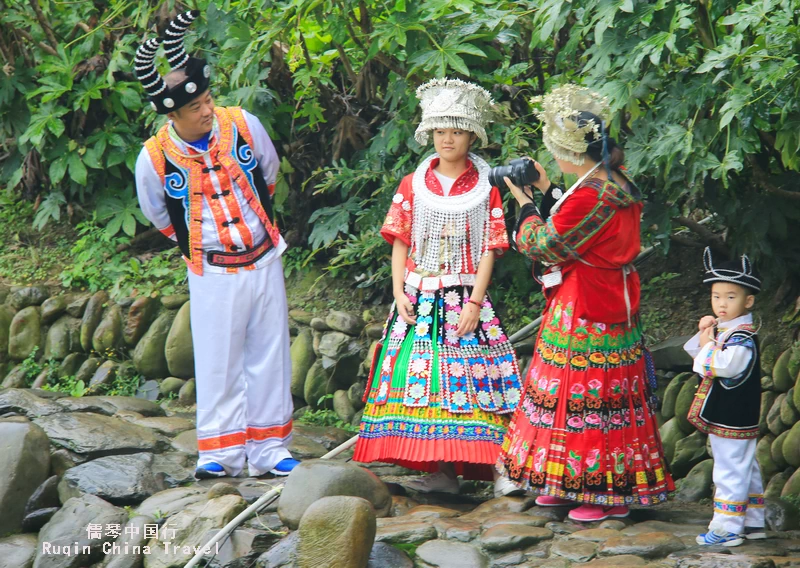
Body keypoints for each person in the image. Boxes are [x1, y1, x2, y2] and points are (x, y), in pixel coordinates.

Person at [496, 84, 674, 522]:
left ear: (572, 154)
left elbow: (546, 243)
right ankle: (565, 482)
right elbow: (575, 215)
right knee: (583, 395)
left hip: (588, 308)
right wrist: (546, 187)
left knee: (591, 397)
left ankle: (602, 494)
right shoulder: (610, 181)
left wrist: (522, 202)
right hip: (599, 300)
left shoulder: (595, 192)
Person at [133, 10, 298, 479]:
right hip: (211, 270)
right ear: (173, 114)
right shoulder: (154, 158)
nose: (207, 110)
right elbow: (159, 214)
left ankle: (270, 449)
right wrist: (201, 244)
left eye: (208, 99)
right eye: (195, 107)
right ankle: (220, 453)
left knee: (269, 351)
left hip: (263, 257)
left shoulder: (242, 124)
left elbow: (268, 170)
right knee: (217, 355)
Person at [353, 78, 524, 497]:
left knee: (473, 379)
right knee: (425, 380)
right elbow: (400, 241)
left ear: (472, 135)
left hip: (463, 297)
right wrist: (397, 292)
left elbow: (489, 248)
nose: (447, 139)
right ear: (430, 133)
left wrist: (476, 301)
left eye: (457, 131)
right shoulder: (413, 182)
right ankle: (442, 468)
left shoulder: (487, 187)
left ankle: (502, 468)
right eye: (440, 131)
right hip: (417, 295)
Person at [684, 247, 764, 546]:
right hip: (733, 416)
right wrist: (706, 335)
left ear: (748, 300)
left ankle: (728, 527)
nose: (722, 303)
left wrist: (707, 344)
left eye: (731, 297)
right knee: (746, 466)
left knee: (730, 468)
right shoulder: (730, 331)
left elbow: (722, 366)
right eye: (717, 296)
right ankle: (754, 522)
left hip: (733, 416)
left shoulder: (742, 337)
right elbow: (698, 353)